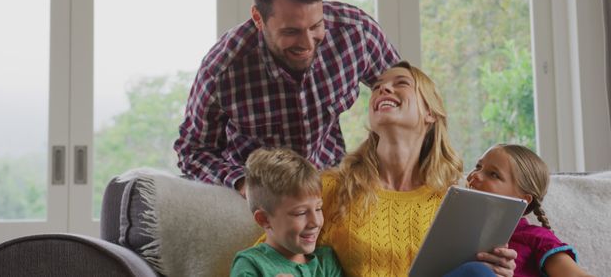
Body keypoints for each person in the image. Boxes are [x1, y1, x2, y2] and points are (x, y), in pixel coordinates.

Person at [173, 0, 400, 196]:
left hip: (329, 182)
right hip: (259, 195)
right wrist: (243, 184)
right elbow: (193, 151)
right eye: (291, 32)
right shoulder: (221, 70)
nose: (307, 44)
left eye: (315, 27)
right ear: (258, 19)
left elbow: (410, 94)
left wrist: (387, 159)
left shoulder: (357, 33)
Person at [318, 61, 517, 276]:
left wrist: (496, 266)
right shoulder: (332, 187)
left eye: (401, 83)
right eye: (376, 87)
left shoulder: (456, 198)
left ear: (429, 112)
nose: (382, 89)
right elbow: (288, 256)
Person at [467, 144, 594, 277]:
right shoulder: (456, 226)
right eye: (478, 167)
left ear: (523, 199)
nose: (476, 175)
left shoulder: (535, 237)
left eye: (493, 174)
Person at [230, 147, 343, 277]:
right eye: (300, 213)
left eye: (318, 208)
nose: (316, 222)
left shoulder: (327, 261)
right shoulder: (249, 263)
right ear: (264, 219)